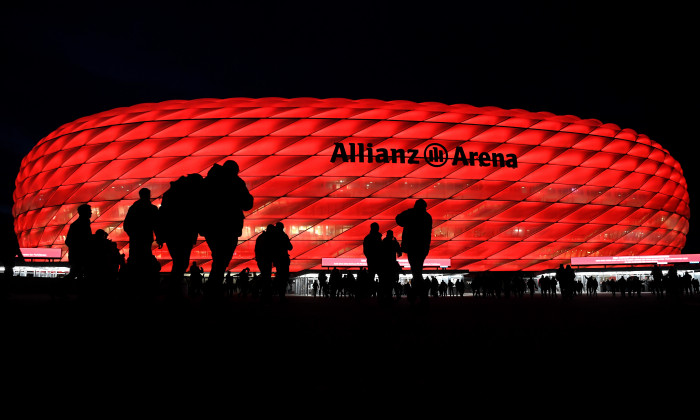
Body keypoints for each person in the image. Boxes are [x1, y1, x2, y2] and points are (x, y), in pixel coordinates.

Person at [200, 161, 254, 297]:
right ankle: (213, 287)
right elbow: (247, 204)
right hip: (230, 226)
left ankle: (213, 287)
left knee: (218, 256)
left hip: (210, 226)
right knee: (222, 257)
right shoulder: (236, 182)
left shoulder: (209, 180)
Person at [157, 174, 203, 295]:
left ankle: (174, 288)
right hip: (184, 233)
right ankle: (173, 288)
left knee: (179, 261)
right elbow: (195, 215)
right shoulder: (189, 196)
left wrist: (160, 236)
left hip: (172, 234)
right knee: (181, 262)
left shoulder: (171, 193)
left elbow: (162, 216)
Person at [395, 199, 432, 304]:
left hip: (412, 246)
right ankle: (419, 293)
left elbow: (398, 219)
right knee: (417, 270)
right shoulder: (427, 217)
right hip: (422, 247)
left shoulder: (411, 214)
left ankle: (417, 293)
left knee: (415, 270)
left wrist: (409, 211)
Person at [65, 204, 93, 293]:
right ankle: (60, 288)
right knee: (76, 273)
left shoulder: (82, 223)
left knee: (77, 273)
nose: (91, 213)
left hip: (78, 254)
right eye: (89, 211)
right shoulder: (79, 224)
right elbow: (69, 241)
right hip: (80, 255)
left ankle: (61, 289)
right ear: (84, 212)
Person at [272, 222, 293, 300]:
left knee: (279, 275)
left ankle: (278, 292)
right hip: (284, 258)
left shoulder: (274, 237)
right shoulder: (284, 236)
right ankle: (282, 294)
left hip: (278, 259)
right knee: (284, 277)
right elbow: (290, 247)